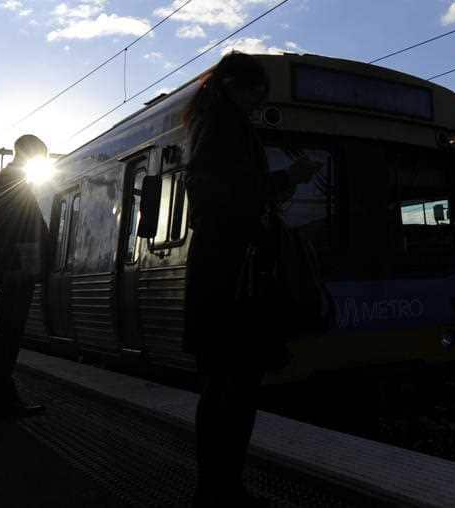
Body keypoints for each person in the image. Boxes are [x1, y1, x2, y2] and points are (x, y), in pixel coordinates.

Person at [183, 52, 320, 507]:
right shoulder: (223, 126)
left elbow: (228, 193)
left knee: (225, 387)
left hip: (223, 273)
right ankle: (220, 489)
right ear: (233, 87)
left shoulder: (213, 123)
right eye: (255, 91)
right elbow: (228, 196)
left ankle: (218, 486)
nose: (259, 101)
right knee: (235, 388)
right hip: (233, 277)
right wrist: (286, 178)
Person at [0, 134, 49, 419]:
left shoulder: (5, 181)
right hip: (15, 268)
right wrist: (19, 267)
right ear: (30, 153)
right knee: (7, 334)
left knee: (4, 334)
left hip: (12, 265)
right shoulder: (10, 183)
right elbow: (13, 230)